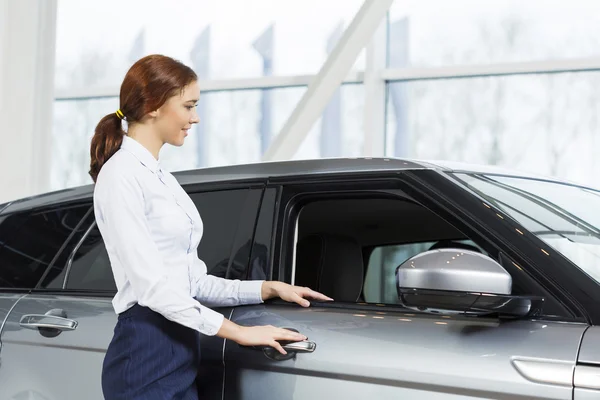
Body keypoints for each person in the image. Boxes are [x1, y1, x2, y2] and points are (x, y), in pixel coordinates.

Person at [89, 54, 332, 400]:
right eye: (188, 106)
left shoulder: (162, 178)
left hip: (180, 350)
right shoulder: (120, 176)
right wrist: (240, 333)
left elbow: (192, 282)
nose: (195, 117)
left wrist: (265, 288)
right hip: (145, 352)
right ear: (154, 105)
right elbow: (154, 290)